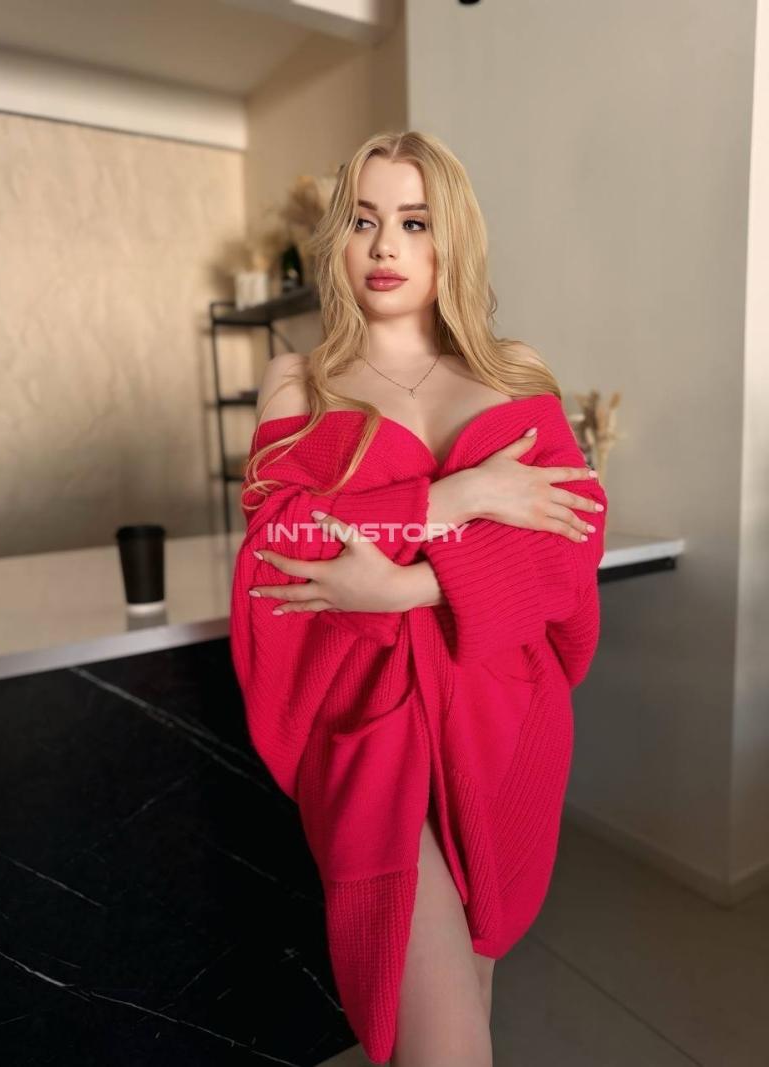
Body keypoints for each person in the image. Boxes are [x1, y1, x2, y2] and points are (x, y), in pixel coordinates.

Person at [230, 130, 607, 1066]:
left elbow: (567, 546)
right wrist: (460, 497)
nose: (385, 246)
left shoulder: (511, 371)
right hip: (369, 725)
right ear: (339, 238)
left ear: (451, 238)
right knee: (447, 1040)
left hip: (504, 713)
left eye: (413, 221)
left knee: (473, 988)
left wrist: (409, 583)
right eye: (364, 221)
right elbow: (281, 541)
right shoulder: (299, 381)